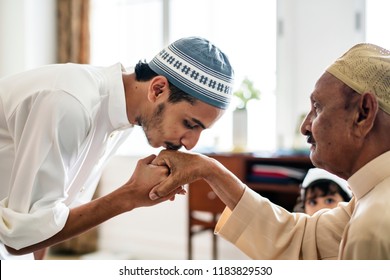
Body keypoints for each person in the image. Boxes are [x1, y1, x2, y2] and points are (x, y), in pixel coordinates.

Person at [0, 36, 234, 259]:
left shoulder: (122, 115)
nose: (191, 144)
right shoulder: (71, 103)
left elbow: (48, 218)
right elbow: (21, 238)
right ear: (158, 89)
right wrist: (130, 195)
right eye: (190, 124)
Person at [149, 43, 390, 259]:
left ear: (363, 113)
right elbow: (300, 239)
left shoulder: (374, 227)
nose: (305, 126)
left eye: (317, 108)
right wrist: (209, 169)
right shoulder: (369, 200)